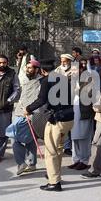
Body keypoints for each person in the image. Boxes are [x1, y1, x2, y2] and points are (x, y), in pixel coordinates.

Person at [25, 58, 74, 192]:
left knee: (51, 151)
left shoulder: (47, 81)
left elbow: (41, 99)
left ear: (42, 70)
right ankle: (54, 175)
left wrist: (28, 109)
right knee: (58, 149)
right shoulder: (63, 78)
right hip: (69, 118)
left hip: (57, 119)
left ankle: (54, 182)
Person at [12, 59, 44, 175]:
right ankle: (27, 163)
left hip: (32, 113)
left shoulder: (41, 81)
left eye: (31, 68)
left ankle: (26, 163)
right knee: (21, 139)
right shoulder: (23, 79)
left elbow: (41, 100)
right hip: (19, 112)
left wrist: (32, 111)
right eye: (27, 67)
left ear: (37, 69)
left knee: (23, 139)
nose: (28, 70)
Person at [68, 58, 95, 170]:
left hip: (84, 111)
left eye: (75, 69)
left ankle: (84, 160)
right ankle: (76, 159)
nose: (73, 72)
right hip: (73, 110)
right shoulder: (71, 79)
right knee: (74, 137)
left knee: (83, 136)